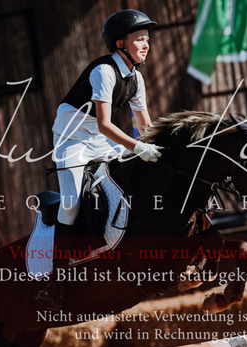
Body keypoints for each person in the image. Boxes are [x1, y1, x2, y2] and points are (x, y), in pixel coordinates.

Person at [51, 9, 162, 227]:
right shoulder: (104, 71)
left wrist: (158, 149)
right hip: (72, 140)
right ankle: (58, 249)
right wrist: (138, 147)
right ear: (120, 43)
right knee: (71, 204)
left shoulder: (136, 79)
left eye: (147, 40)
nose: (146, 45)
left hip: (100, 139)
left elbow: (145, 127)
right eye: (139, 40)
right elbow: (104, 124)